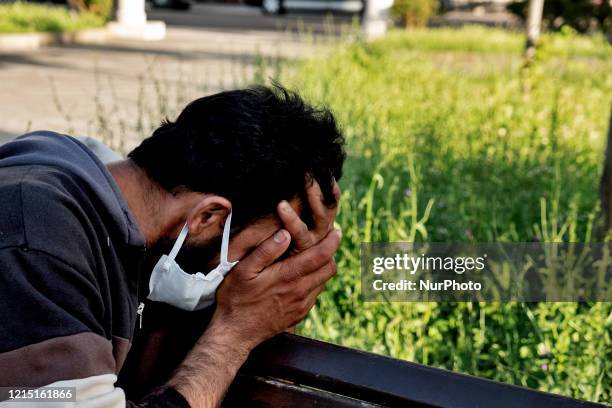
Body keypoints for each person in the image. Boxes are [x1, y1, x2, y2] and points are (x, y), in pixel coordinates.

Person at [0, 85, 345, 407]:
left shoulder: (124, 227)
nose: (257, 269)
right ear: (208, 216)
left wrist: (294, 278)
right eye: (261, 250)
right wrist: (232, 335)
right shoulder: (38, 241)